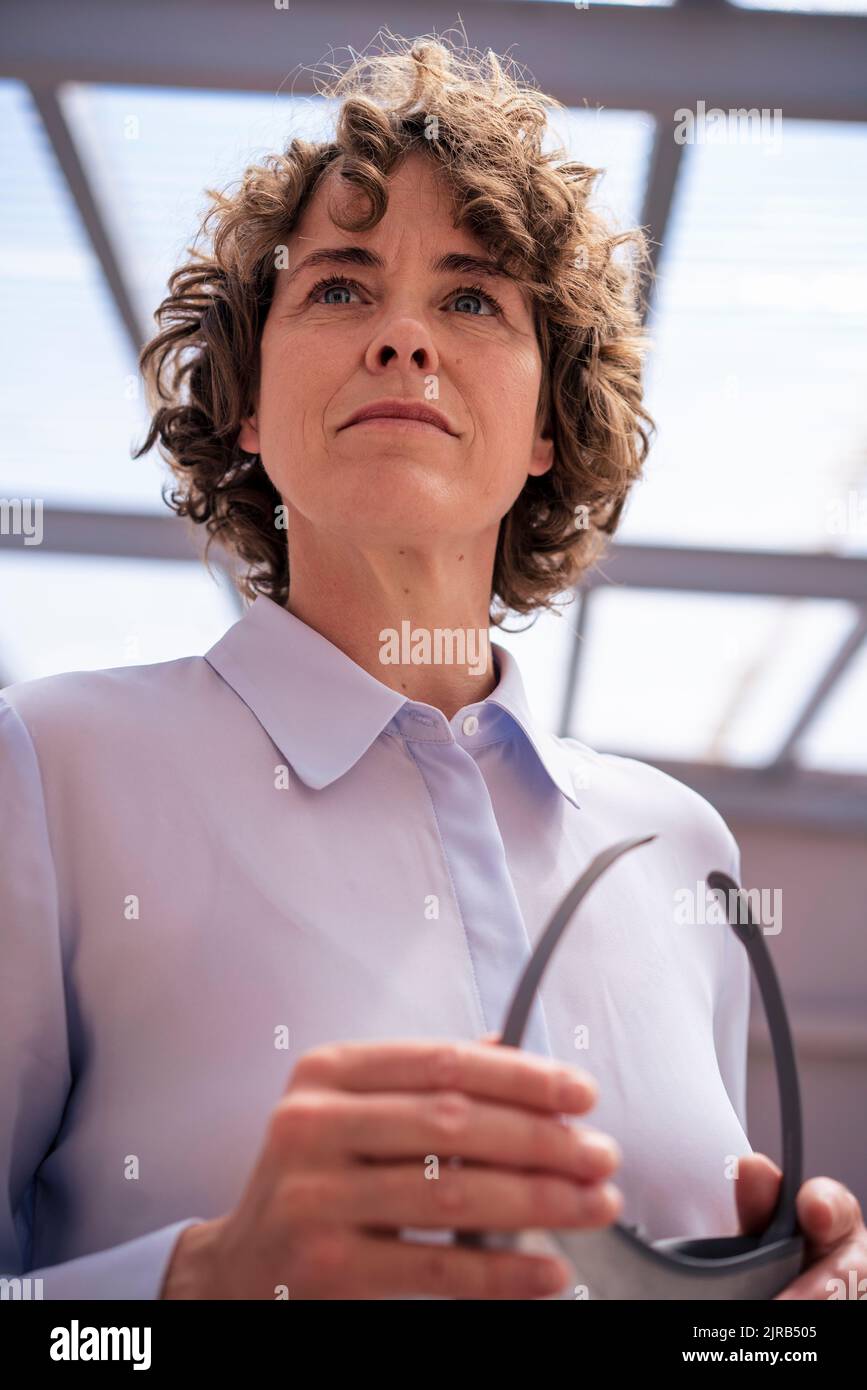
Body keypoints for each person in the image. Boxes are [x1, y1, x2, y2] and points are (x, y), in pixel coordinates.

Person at [1, 37, 863, 1302]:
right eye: (340, 289)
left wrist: (785, 1317)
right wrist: (198, 1285)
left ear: (545, 425)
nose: (404, 336)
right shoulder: (46, 769)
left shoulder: (688, 850)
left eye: (472, 300)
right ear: (247, 403)